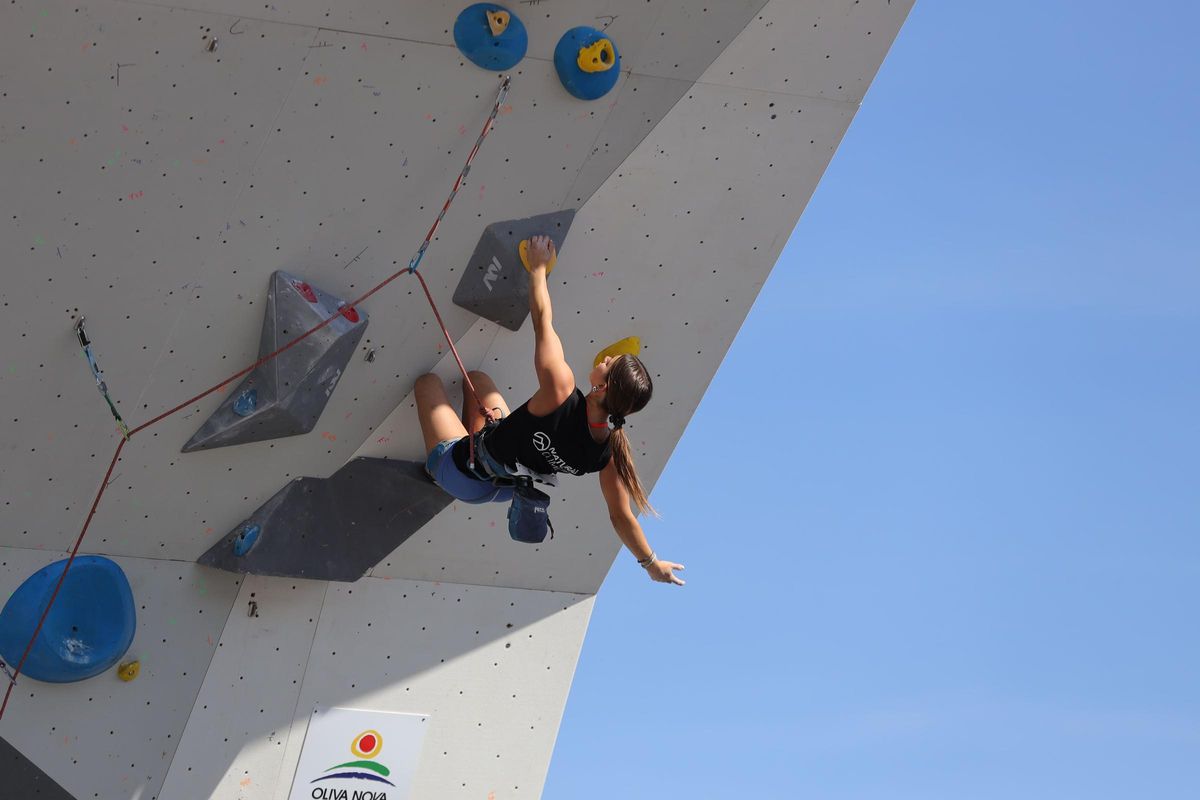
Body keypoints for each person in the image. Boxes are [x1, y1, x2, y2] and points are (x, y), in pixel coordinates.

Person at [415, 235, 684, 585]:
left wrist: (538, 267)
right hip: (503, 487)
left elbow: (543, 320)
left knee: (427, 384)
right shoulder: (607, 450)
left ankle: (437, 467)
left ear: (602, 387)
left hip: (460, 471)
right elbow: (621, 516)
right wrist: (651, 564)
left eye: (608, 362)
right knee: (477, 380)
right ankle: (475, 436)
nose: (603, 358)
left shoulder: (560, 388)